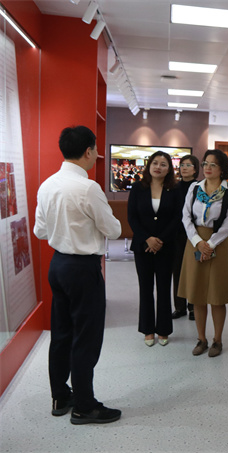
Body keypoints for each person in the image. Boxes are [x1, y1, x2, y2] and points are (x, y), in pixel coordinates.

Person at [34, 125, 122, 424]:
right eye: (95, 149)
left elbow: (40, 231)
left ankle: (60, 395)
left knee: (61, 333)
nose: (96, 154)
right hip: (83, 269)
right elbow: (113, 230)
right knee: (86, 336)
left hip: (58, 265)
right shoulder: (88, 188)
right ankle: (85, 405)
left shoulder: (47, 185)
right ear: (88, 151)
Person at [178, 150, 228, 358]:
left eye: (213, 164)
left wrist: (210, 244)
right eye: (205, 163)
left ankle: (217, 340)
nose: (207, 167)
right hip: (195, 241)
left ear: (222, 169)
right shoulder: (195, 188)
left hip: (218, 243)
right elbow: (186, 216)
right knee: (197, 295)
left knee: (217, 295)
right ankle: (201, 339)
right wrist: (198, 242)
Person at [128, 151, 181, 347]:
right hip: (142, 246)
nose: (158, 167)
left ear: (169, 169)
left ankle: (164, 329)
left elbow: (177, 218)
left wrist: (160, 240)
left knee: (164, 288)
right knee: (146, 288)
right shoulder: (138, 188)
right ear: (149, 166)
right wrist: (148, 239)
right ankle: (148, 329)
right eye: (155, 163)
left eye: (163, 164)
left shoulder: (175, 189)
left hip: (166, 247)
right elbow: (132, 217)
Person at [172, 154, 200, 320]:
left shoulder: (200, 187)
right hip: (176, 234)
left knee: (193, 271)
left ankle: (193, 307)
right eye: (182, 165)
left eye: (188, 165)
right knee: (177, 270)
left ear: (195, 169)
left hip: (194, 235)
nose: (184, 168)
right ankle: (179, 307)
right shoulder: (173, 186)